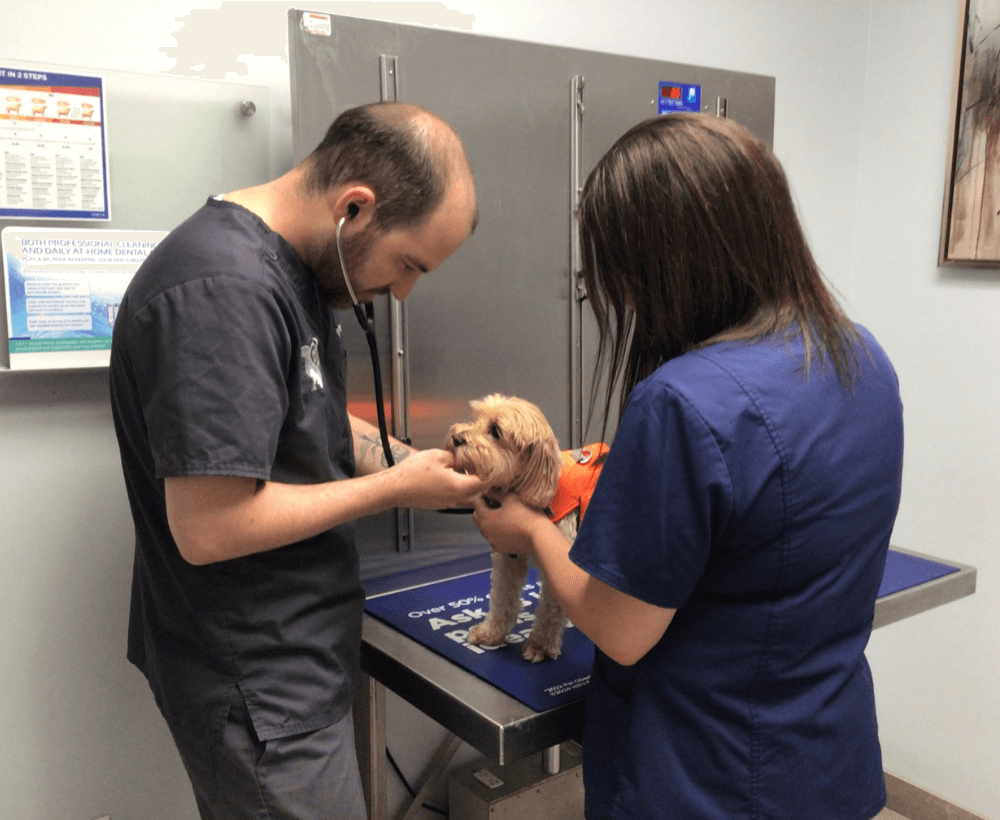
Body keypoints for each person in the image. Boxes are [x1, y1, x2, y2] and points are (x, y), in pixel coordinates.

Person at [473, 113, 904, 820]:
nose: (627, 301)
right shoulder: (861, 356)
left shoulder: (686, 401)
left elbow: (620, 628)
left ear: (664, 262)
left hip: (706, 779)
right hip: (827, 765)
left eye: (622, 276)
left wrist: (531, 532)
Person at [110, 102, 488, 820]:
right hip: (258, 686)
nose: (404, 291)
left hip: (291, 665)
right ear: (355, 206)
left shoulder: (293, 272)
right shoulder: (226, 291)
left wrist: (433, 471)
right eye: (407, 263)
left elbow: (307, 420)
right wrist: (393, 490)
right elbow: (210, 526)